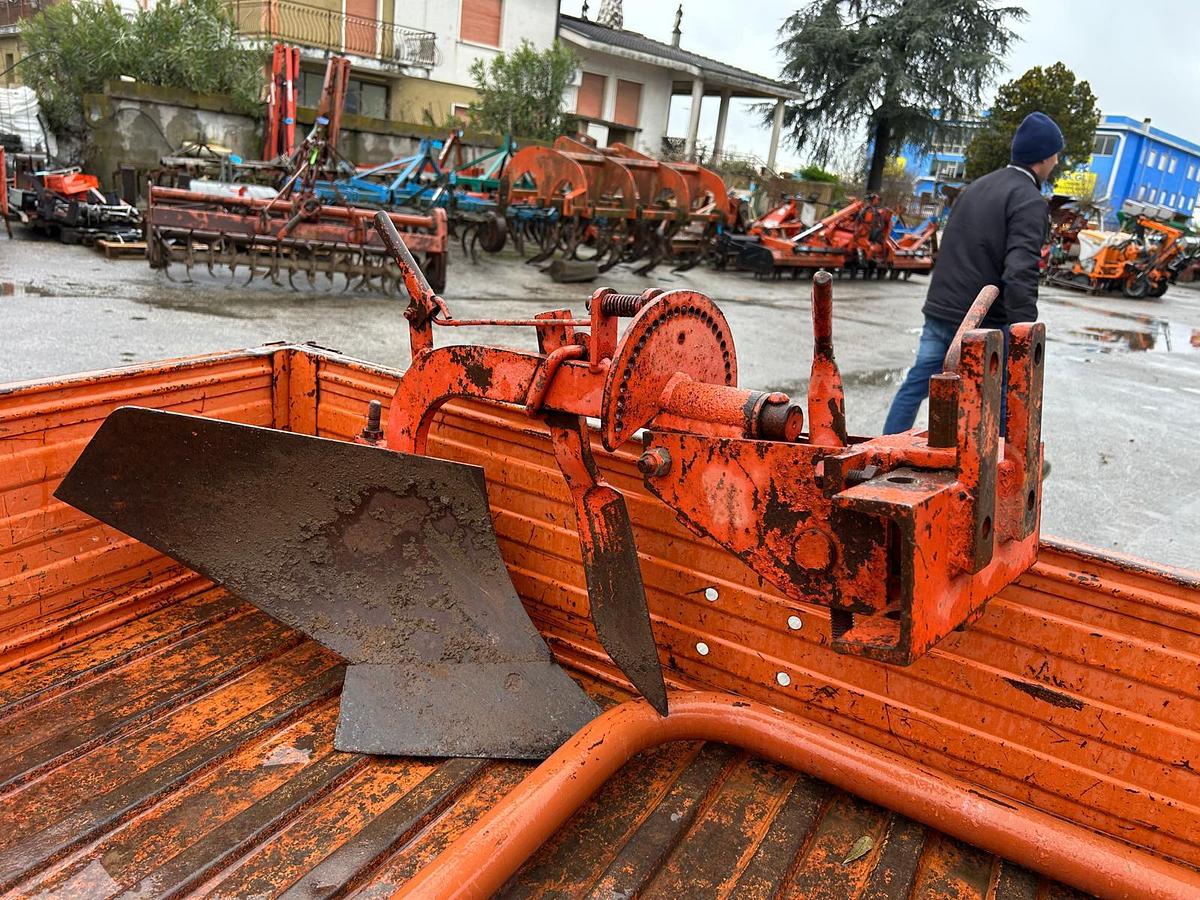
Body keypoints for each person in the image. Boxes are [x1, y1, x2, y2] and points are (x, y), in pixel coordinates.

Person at [883, 111, 1062, 435]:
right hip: (984, 320)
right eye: (1055, 154)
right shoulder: (1029, 200)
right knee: (1003, 396)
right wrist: (1024, 330)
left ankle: (885, 448)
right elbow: (1020, 271)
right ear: (1044, 157)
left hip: (942, 308)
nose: (1057, 161)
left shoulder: (975, 188)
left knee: (917, 385)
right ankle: (1004, 458)